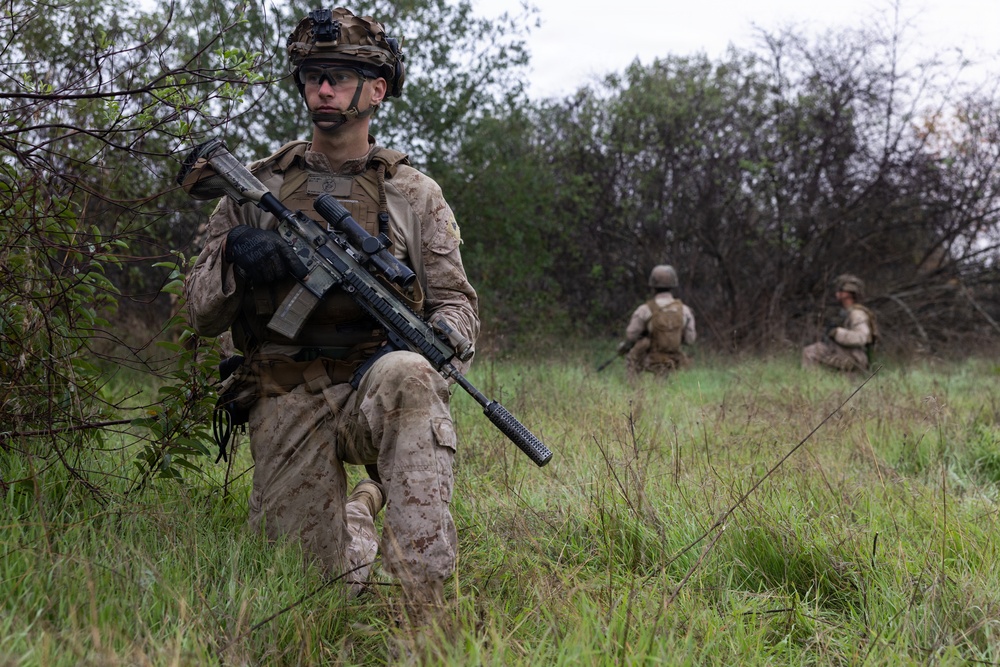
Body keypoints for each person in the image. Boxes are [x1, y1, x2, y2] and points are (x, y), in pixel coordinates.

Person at [182, 7, 479, 619]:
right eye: (314, 75)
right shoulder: (256, 187)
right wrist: (237, 260)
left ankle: (419, 615)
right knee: (304, 595)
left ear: (377, 90)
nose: (323, 87)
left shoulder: (413, 195)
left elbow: (457, 304)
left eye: (340, 76)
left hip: (376, 380)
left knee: (413, 377)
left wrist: (440, 337)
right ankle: (357, 513)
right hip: (284, 390)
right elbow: (201, 312)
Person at [617, 265, 696, 378]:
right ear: (673, 284)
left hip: (651, 359)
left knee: (632, 357)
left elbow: (631, 336)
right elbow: (690, 340)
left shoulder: (645, 309)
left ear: (652, 285)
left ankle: (634, 389)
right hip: (675, 359)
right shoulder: (685, 310)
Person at [802, 273, 877, 372]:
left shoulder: (857, 314)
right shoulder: (845, 311)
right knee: (811, 351)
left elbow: (861, 338)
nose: (837, 293)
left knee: (812, 353)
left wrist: (837, 333)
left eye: (840, 290)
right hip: (844, 352)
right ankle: (812, 383)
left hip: (854, 357)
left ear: (848, 294)